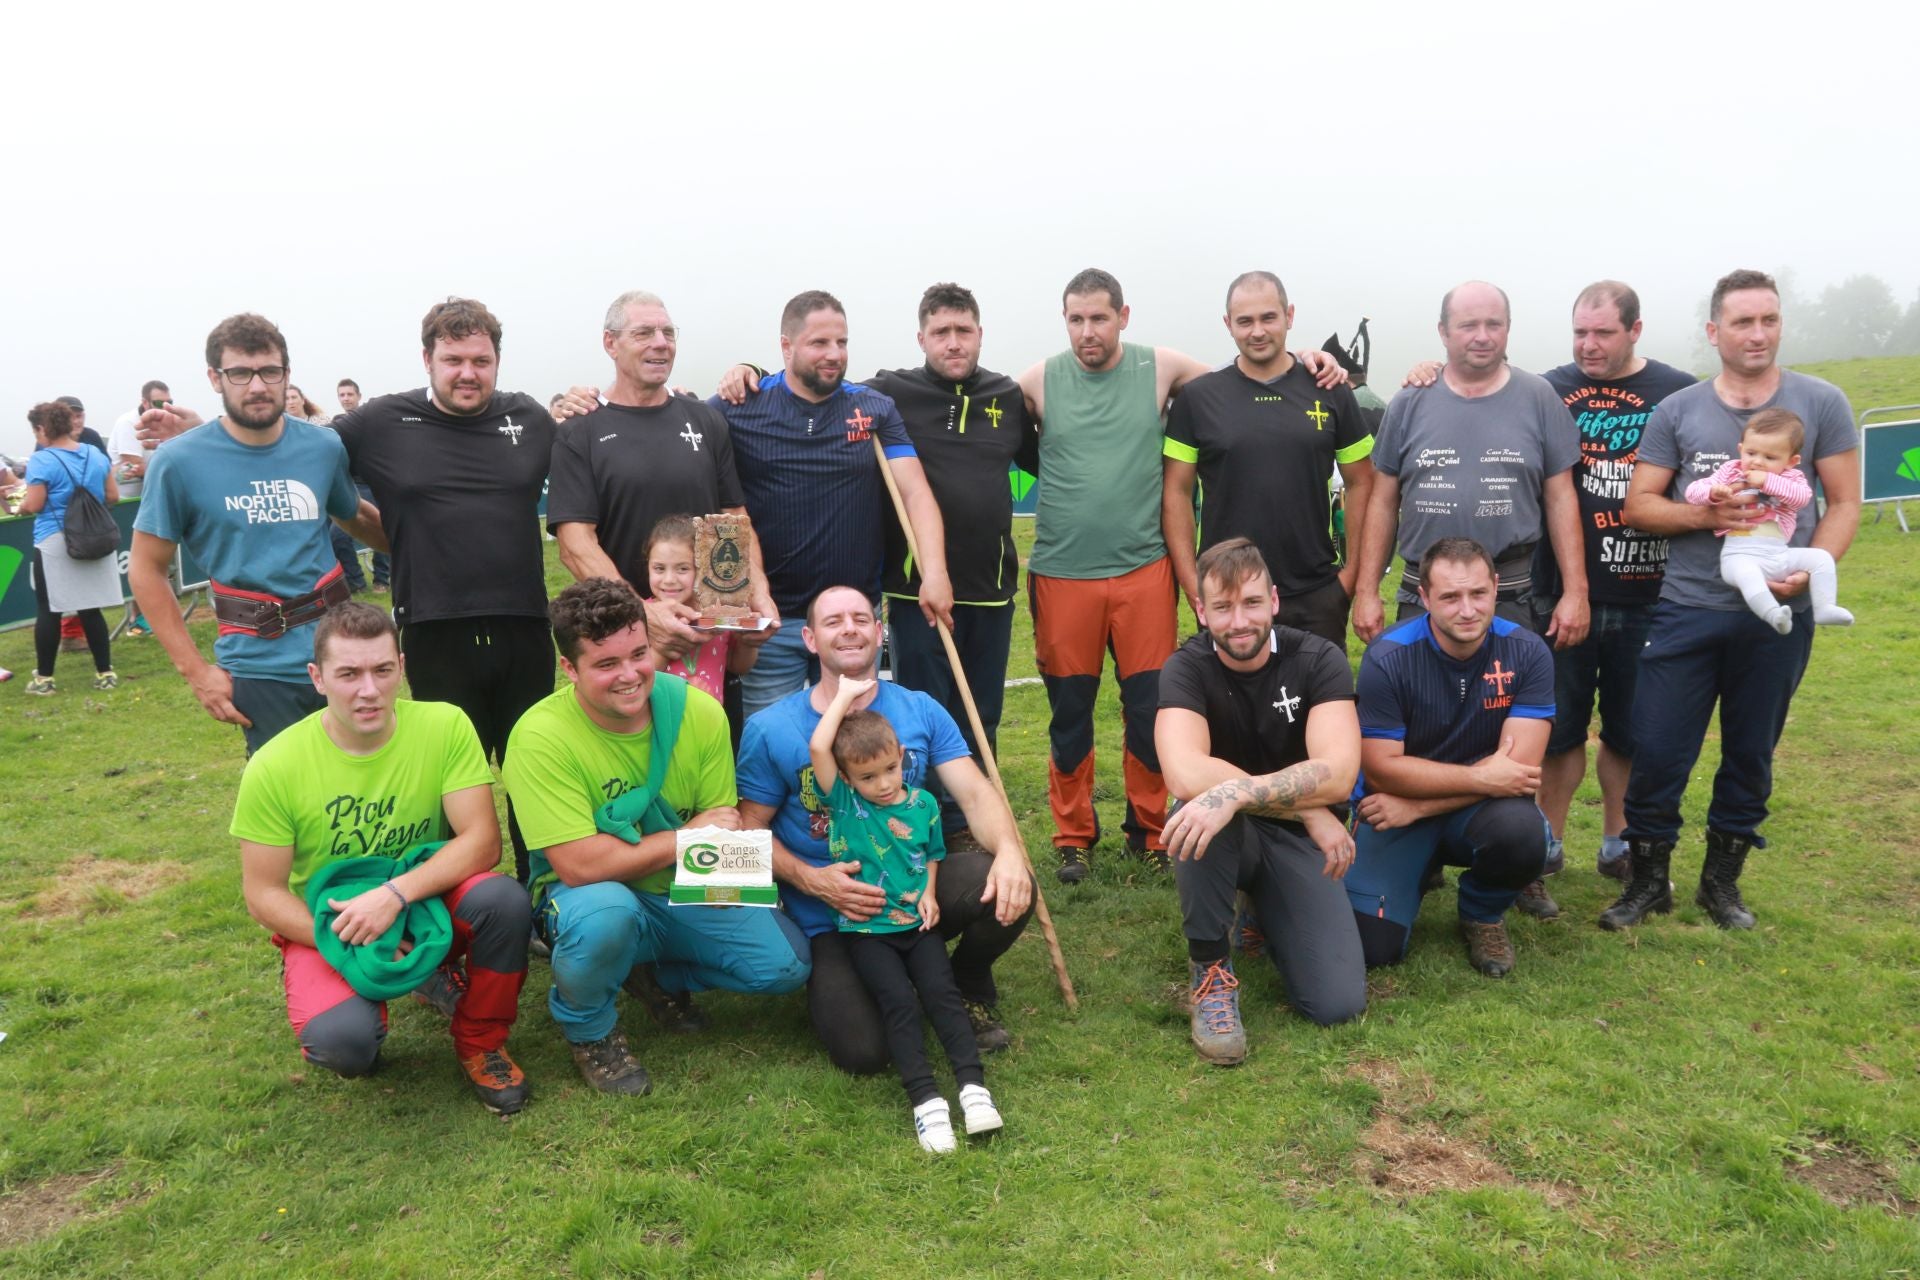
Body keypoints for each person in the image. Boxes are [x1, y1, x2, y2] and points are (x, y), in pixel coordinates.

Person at [1017, 268, 1349, 883]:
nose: (1088, 331)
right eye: (1075, 319)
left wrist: (1311, 360)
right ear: (1064, 321)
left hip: (1145, 569)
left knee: (1150, 705)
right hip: (1062, 573)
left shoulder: (1163, 368)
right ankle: (1072, 835)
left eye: (1099, 317)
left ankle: (1147, 828)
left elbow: (1247, 379)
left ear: (1123, 315)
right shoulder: (1038, 381)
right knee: (1069, 712)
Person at [714, 282, 1037, 845]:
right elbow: (678, 433)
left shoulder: (872, 407)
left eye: (841, 341)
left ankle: (870, 860)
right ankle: (784, 880)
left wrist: (933, 571)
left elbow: (916, 494)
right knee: (777, 759)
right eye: (818, 342)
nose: (833, 353)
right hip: (773, 624)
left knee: (859, 751)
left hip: (848, 624)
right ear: (786, 346)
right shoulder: (738, 407)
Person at [1600, 269, 1861, 932]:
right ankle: (1648, 882)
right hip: (1687, 608)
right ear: (1714, 332)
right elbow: (1639, 507)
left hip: (1778, 616)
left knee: (1751, 752)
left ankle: (1721, 885)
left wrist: (1811, 572)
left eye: (1768, 319)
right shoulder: (1679, 411)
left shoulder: (1822, 402)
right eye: (1742, 322)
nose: (1758, 333)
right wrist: (1707, 512)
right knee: (1657, 749)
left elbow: (1845, 503)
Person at [502, 578, 811, 1096]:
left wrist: (731, 889)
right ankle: (591, 1029)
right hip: (591, 896)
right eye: (605, 665)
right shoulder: (539, 737)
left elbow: (724, 824)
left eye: (639, 654)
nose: (629, 676)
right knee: (605, 916)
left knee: (785, 965)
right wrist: (685, 838)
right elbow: (579, 866)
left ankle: (651, 976)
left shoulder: (700, 711)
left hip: (682, 885)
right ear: (569, 669)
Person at [229, 604, 533, 1113]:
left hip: (422, 896)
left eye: (382, 670)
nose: (368, 690)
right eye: (348, 674)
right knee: (343, 1045)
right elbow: (263, 893)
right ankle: (396, 991)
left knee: (503, 899)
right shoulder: (274, 765)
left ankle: (482, 1041)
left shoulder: (444, 725)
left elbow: (482, 843)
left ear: (402, 666)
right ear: (317, 678)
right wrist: (357, 934)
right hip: (335, 918)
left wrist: (393, 898)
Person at [737, 585, 1035, 1074]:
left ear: (880, 633)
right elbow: (749, 829)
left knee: (1005, 880)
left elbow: (977, 794)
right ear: (810, 640)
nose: (850, 628)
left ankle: (966, 980)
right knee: (865, 1054)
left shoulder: (920, 709)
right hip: (833, 911)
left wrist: (1007, 851)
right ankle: (879, 975)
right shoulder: (772, 728)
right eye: (833, 622)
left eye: (861, 618)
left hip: (915, 890)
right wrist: (812, 881)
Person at [329, 298, 559, 884]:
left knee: (534, 773)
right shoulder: (379, 421)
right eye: (453, 359)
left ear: (497, 361)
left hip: (523, 626)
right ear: (427, 359)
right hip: (434, 630)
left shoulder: (528, 418)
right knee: (447, 783)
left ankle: (544, 902)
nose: (467, 373)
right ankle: (459, 910)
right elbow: (302, 454)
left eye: (481, 360)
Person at [129, 313, 384, 753]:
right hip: (259, 665)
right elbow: (146, 570)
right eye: (240, 373)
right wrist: (197, 673)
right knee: (288, 804)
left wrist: (432, 548)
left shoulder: (322, 447)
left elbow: (355, 517)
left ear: (286, 374)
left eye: (270, 371)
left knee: (372, 782)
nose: (258, 386)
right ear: (215, 378)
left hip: (343, 651)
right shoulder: (178, 462)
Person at [1154, 538, 1366, 1066]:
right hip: (1234, 832)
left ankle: (1262, 911)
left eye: (1251, 603)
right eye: (1222, 608)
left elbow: (1339, 774)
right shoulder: (1184, 668)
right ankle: (1210, 971)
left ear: (1273, 600)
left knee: (1336, 1004)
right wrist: (1308, 807)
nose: (1238, 621)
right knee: (1197, 810)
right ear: (1201, 611)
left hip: (1293, 839)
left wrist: (1238, 792)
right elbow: (1183, 772)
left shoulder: (1319, 659)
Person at [807, 676, 1003, 1151]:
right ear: (847, 778)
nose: (883, 784)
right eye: (868, 777)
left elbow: (932, 852)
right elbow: (819, 745)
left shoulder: (925, 803)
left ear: (902, 758)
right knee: (899, 1004)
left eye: (891, 769)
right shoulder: (846, 802)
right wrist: (845, 697)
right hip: (866, 933)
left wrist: (931, 894)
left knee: (944, 997)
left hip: (918, 926)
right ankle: (926, 1103)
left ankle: (974, 1090)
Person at [1345, 538, 1556, 978]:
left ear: (1496, 587)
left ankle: (1482, 912)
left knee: (1525, 833)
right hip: (1392, 807)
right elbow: (1382, 768)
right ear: (1423, 597)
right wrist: (1483, 780)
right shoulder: (1388, 657)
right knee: (1371, 948)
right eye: (1450, 597)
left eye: (1478, 594)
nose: (1467, 609)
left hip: (1436, 808)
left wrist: (1419, 804)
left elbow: (1517, 774)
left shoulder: (1528, 651)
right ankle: (1417, 871)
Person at [546, 290, 773, 668]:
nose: (660, 344)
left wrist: (756, 592)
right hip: (623, 642)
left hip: (707, 643)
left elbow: (731, 520)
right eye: (644, 333)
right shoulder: (580, 430)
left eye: (668, 333)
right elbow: (575, 544)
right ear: (610, 343)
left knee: (713, 727)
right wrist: (642, 617)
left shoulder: (704, 420)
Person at [1162, 271, 1376, 649]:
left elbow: (1363, 482)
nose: (1257, 331)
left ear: (1289, 316)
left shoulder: (1331, 390)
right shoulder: (1198, 399)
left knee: (1321, 708)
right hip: (1228, 597)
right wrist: (1192, 583)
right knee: (1229, 708)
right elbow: (1176, 493)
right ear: (1228, 324)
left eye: (1268, 318)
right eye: (1245, 321)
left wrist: (1349, 578)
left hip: (1316, 593)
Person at [1685, 409, 1852, 633]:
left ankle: (1825, 607)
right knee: (1748, 575)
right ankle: (1774, 615)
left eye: (1770, 457)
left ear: (1791, 461)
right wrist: (1713, 492)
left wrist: (1767, 481)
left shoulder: (1791, 478)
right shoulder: (1730, 471)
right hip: (1739, 556)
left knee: (1821, 558)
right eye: (1751, 453)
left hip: (1779, 554)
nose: (1758, 462)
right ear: (1740, 450)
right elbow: (1692, 492)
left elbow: (1800, 498)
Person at [17, 400, 119, 695]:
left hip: (55, 540)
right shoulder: (96, 455)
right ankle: (105, 672)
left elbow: (35, 504)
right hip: (93, 537)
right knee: (91, 608)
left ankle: (44, 680)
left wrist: (20, 507)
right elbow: (111, 495)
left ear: (42, 428)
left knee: (49, 610)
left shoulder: (41, 460)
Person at [643, 513, 758, 703]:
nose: (669, 580)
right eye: (659, 569)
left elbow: (738, 666)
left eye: (683, 569)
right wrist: (666, 648)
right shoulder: (644, 617)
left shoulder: (718, 614)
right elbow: (640, 676)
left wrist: (747, 640)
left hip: (710, 724)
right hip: (662, 722)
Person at [324, 378, 387, 595]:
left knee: (383, 526)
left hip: (371, 483)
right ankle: (356, 582)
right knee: (336, 535)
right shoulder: (335, 425)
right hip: (347, 485)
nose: (346, 398)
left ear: (359, 396)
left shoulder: (369, 423)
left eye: (350, 394)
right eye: (342, 395)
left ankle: (382, 579)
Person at [107, 379, 170, 499]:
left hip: (151, 495)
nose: (165, 408)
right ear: (145, 403)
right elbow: (135, 467)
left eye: (169, 403)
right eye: (159, 403)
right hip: (127, 500)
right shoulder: (128, 423)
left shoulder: (165, 422)